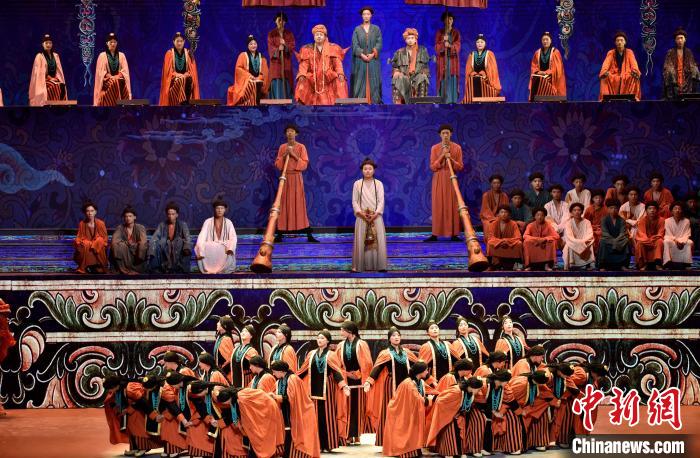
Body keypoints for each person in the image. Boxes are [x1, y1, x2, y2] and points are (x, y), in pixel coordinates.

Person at [298, 330, 351, 452]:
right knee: (314, 416)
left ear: (327, 341)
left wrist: (343, 386)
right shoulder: (311, 354)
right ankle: (317, 444)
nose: (319, 340)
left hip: (327, 389)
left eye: (322, 338)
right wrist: (291, 378)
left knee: (327, 415)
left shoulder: (331, 355)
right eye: (318, 338)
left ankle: (329, 444)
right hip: (312, 389)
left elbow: (336, 372)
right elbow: (303, 371)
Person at [364, 327, 418, 446]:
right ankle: (388, 440)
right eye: (393, 335)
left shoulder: (407, 352)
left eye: (398, 335)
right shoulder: (385, 353)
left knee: (406, 411)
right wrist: (369, 381)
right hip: (391, 385)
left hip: (407, 386)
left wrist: (429, 379)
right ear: (389, 339)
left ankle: (405, 439)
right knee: (390, 410)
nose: (396, 337)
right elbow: (377, 368)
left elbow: (417, 367)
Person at [274, 124, 318, 243]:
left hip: (296, 178)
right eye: (288, 131)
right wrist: (285, 155)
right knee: (283, 204)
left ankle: (308, 234)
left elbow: (304, 164)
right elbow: (278, 164)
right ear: (285, 134)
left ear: (296, 133)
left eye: (292, 131)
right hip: (285, 178)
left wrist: (293, 154)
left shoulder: (301, 147)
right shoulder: (282, 147)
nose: (290, 133)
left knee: (298, 204)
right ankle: (280, 232)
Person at [213, 386, 285, 458]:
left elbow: (248, 421)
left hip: (268, 411)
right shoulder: (238, 395)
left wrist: (244, 429)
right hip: (267, 408)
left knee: (260, 438)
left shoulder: (241, 400)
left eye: (225, 403)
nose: (226, 405)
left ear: (227, 400)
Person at [382, 361, 435, 458]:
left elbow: (430, 391)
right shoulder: (408, 383)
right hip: (402, 411)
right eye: (426, 370)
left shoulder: (420, 381)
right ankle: (407, 451)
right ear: (420, 371)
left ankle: (415, 449)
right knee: (409, 428)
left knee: (415, 427)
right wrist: (429, 400)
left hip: (411, 411)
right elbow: (416, 398)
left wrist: (440, 394)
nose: (427, 372)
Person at [270, 360, 321, 458]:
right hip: (287, 412)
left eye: (274, 372)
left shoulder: (293, 379)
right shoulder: (279, 381)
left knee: (294, 435)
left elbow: (292, 398)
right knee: (287, 433)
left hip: (300, 411)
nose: (273, 374)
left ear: (281, 371)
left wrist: (277, 397)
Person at [427, 377, 487, 457]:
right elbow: (440, 401)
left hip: (458, 415)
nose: (479, 391)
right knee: (450, 430)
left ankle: (459, 452)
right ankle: (448, 452)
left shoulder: (468, 392)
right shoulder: (456, 390)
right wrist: (453, 411)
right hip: (447, 415)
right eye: (478, 389)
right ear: (473, 387)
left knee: (461, 429)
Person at [336, 320, 374, 444]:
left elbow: (367, 363)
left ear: (350, 331)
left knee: (357, 407)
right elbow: (336, 363)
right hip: (346, 380)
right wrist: (346, 374)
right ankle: (348, 434)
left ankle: (356, 434)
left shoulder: (361, 344)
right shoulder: (341, 345)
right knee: (346, 407)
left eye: (342, 330)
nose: (341, 332)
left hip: (359, 380)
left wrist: (358, 374)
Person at [425, 125, 464, 242]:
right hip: (438, 178)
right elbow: (433, 167)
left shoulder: (457, 148)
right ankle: (435, 234)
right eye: (443, 133)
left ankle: (454, 234)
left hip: (451, 179)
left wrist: (451, 159)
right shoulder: (435, 148)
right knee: (438, 205)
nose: (445, 135)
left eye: (447, 133)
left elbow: (460, 167)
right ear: (440, 135)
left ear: (451, 134)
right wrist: (442, 155)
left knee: (452, 205)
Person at [187, 352, 229, 458]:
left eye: (200, 362)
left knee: (218, 432)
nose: (199, 365)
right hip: (212, 406)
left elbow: (215, 393)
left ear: (206, 363)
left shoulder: (215, 374)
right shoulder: (205, 374)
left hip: (220, 407)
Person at [295, 24, 348, 105]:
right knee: (302, 80)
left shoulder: (332, 48)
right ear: (314, 37)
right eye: (317, 35)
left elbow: (337, 64)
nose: (319, 36)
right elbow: (304, 65)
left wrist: (340, 73)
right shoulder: (307, 49)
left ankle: (340, 104)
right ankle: (302, 105)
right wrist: (302, 74)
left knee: (340, 80)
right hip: (313, 79)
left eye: (321, 34)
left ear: (325, 36)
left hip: (328, 78)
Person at [352, 157, 388, 271]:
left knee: (378, 242)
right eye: (365, 169)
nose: (367, 171)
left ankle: (380, 266)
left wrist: (375, 214)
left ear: (374, 170)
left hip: (375, 217)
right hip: (362, 217)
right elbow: (354, 201)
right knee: (361, 241)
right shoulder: (357, 184)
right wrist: (361, 213)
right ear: (362, 170)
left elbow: (381, 201)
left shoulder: (379, 184)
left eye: (370, 169)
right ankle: (360, 266)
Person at [509, 371, 554, 452]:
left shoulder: (536, 382)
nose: (542, 385)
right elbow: (510, 398)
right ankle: (514, 447)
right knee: (516, 423)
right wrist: (519, 411)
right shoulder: (521, 383)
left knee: (541, 413)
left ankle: (531, 444)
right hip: (511, 407)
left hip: (525, 406)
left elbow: (547, 393)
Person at [482, 369, 521, 455]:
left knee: (512, 418)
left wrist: (519, 412)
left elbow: (510, 400)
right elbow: (480, 401)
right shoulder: (485, 385)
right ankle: (482, 448)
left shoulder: (504, 387)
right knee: (481, 420)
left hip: (496, 409)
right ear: (502, 380)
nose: (507, 383)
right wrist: (493, 412)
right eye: (507, 381)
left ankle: (505, 446)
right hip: (481, 408)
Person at [124, 376, 164, 456]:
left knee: (139, 430)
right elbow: (141, 401)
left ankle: (143, 447)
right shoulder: (136, 387)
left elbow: (143, 403)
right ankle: (134, 448)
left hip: (142, 412)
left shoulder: (159, 388)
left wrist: (154, 415)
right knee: (132, 429)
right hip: (138, 410)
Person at [160, 371, 197, 457]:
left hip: (192, 409)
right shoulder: (167, 388)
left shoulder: (190, 384)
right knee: (169, 427)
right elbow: (173, 406)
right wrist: (183, 420)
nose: (173, 387)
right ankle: (172, 449)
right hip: (174, 411)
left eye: (173, 385)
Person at [148, 202, 192, 274]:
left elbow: (187, 238)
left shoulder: (182, 225)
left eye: (173, 214)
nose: (170, 216)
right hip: (164, 248)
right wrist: (152, 248)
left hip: (178, 248)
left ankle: (180, 268)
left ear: (177, 215)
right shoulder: (162, 225)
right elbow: (155, 237)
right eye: (169, 214)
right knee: (159, 242)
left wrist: (186, 247)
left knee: (180, 242)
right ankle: (157, 268)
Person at [195, 199, 237, 274]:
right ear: (214, 209)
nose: (220, 210)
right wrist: (200, 249)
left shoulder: (228, 222)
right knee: (203, 245)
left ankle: (223, 269)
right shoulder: (208, 221)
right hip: (210, 250)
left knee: (228, 246)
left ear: (225, 210)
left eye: (222, 208)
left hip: (223, 249)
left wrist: (230, 248)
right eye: (217, 208)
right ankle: (209, 268)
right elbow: (202, 236)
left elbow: (233, 237)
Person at [351, 7, 383, 104]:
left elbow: (379, 43)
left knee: (374, 79)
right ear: (362, 16)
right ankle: (360, 101)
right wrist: (362, 54)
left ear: (371, 15)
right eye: (364, 14)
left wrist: (373, 54)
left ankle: (374, 101)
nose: (366, 16)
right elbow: (354, 44)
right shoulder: (357, 29)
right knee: (360, 80)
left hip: (373, 59)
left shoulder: (376, 29)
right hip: (360, 60)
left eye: (368, 14)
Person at [159, 32, 200, 106]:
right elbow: (167, 73)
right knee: (181, 80)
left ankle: (187, 103)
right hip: (173, 81)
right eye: (177, 41)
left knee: (188, 79)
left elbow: (192, 71)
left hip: (186, 77)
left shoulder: (188, 53)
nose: (179, 43)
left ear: (184, 42)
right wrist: (178, 75)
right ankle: (182, 102)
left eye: (181, 41)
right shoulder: (169, 53)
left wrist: (186, 75)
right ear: (173, 42)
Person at [227, 35, 269, 106]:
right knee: (251, 84)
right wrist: (249, 76)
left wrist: (259, 77)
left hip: (258, 78)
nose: (253, 45)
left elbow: (265, 71)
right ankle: (249, 104)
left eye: (255, 44)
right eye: (251, 44)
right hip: (246, 79)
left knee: (259, 82)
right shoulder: (243, 55)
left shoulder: (261, 57)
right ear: (248, 46)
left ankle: (256, 104)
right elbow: (238, 68)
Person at [391, 28, 430, 104]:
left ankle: (420, 104)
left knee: (423, 77)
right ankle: (398, 105)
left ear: (415, 39)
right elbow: (395, 65)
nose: (410, 40)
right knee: (397, 78)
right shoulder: (400, 52)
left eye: (412, 38)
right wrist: (396, 71)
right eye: (408, 38)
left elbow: (425, 66)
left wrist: (424, 72)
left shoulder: (422, 51)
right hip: (404, 75)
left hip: (417, 75)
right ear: (405, 40)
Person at [599, 31, 641, 100]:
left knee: (634, 77)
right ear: (615, 43)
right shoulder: (611, 53)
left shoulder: (629, 52)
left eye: (621, 40)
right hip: (614, 76)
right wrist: (604, 72)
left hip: (626, 76)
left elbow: (634, 65)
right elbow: (605, 65)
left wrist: (635, 71)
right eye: (617, 40)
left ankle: (633, 99)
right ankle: (606, 100)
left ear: (625, 42)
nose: (619, 42)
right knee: (604, 78)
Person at [547, 361, 581, 448]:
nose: (567, 376)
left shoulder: (566, 377)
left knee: (566, 417)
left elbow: (574, 389)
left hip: (560, 401)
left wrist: (562, 397)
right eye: (566, 375)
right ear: (560, 371)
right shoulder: (549, 374)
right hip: (546, 401)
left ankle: (560, 439)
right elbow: (543, 390)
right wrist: (554, 400)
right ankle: (546, 440)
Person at [93, 33, 131, 106]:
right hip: (107, 81)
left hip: (118, 79)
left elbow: (125, 70)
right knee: (114, 82)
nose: (113, 44)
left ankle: (124, 105)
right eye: (111, 42)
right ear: (107, 43)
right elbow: (100, 72)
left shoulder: (122, 55)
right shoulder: (102, 55)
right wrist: (110, 76)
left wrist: (118, 76)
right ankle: (111, 104)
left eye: (114, 42)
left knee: (118, 81)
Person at [29, 34, 68, 106]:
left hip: (54, 79)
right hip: (44, 80)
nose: (48, 45)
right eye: (46, 43)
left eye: (50, 43)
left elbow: (58, 71)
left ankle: (59, 106)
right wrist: (49, 78)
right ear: (43, 44)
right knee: (55, 86)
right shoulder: (40, 56)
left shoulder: (55, 56)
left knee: (62, 85)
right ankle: (51, 105)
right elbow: (39, 73)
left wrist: (56, 78)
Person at [663, 27, 700, 100]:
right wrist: (671, 71)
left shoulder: (688, 52)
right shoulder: (670, 52)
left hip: (685, 75)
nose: (680, 40)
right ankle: (672, 95)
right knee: (669, 72)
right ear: (675, 40)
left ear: (685, 39)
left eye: (681, 38)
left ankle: (691, 95)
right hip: (675, 74)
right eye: (678, 38)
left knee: (695, 71)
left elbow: (692, 64)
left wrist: (694, 69)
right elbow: (668, 65)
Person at [463, 34, 501, 103]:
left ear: (485, 44)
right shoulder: (472, 55)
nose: (479, 44)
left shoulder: (489, 54)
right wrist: (473, 74)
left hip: (486, 81)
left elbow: (493, 71)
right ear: (475, 44)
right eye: (478, 42)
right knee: (473, 79)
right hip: (474, 80)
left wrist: (485, 75)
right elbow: (468, 70)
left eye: (481, 42)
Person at [419, 321, 458, 389]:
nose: (435, 329)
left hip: (450, 380)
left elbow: (457, 361)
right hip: (435, 382)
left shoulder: (448, 344)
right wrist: (431, 381)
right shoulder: (426, 347)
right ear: (427, 332)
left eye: (436, 328)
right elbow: (421, 368)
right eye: (432, 328)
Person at [529, 31, 566, 101]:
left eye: (547, 39)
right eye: (543, 40)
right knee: (536, 78)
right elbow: (534, 66)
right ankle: (536, 99)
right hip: (540, 74)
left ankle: (549, 97)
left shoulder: (555, 52)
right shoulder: (537, 52)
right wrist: (538, 72)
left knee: (542, 79)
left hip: (552, 76)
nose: (545, 41)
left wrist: (546, 73)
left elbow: (557, 68)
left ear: (550, 41)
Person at [73, 200, 108, 274]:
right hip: (86, 245)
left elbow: (104, 238)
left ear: (95, 212)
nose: (90, 213)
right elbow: (79, 237)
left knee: (100, 241)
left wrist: (96, 243)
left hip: (97, 246)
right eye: (87, 211)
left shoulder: (101, 223)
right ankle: (87, 266)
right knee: (85, 244)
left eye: (92, 211)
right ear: (85, 212)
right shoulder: (82, 223)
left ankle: (97, 266)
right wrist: (87, 243)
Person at [110, 206, 147, 275]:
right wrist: (126, 243)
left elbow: (143, 241)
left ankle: (137, 268)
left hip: (136, 251)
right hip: (124, 251)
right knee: (120, 246)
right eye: (126, 216)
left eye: (130, 216)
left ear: (134, 217)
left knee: (143, 246)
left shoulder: (140, 227)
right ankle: (124, 269)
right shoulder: (120, 228)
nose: (128, 218)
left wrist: (134, 245)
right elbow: (114, 241)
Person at [485, 205, 523, 271]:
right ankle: (490, 265)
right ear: (498, 214)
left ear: (509, 214)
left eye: (505, 212)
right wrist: (501, 242)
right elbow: (491, 237)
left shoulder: (513, 224)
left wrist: (506, 241)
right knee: (490, 243)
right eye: (501, 212)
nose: (503, 214)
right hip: (498, 243)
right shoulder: (493, 224)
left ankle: (518, 264)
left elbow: (518, 237)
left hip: (509, 244)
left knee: (519, 244)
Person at [267, 12, 295, 99]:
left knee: (287, 82)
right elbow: (270, 48)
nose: (280, 22)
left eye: (283, 21)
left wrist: (285, 44)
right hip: (276, 64)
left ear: (285, 22)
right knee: (277, 81)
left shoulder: (289, 34)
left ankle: (287, 104)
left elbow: (292, 47)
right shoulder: (271, 34)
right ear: (275, 21)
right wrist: (278, 49)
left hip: (286, 63)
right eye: (279, 20)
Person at [435, 11, 461, 103]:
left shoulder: (456, 33)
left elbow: (458, 46)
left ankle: (452, 100)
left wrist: (450, 45)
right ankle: (443, 100)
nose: (449, 21)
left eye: (451, 19)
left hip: (452, 60)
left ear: (453, 20)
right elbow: (437, 47)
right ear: (443, 20)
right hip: (443, 60)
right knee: (443, 76)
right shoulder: (440, 33)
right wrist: (443, 41)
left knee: (452, 76)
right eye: (447, 19)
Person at [597, 199, 631, 270]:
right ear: (608, 209)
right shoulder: (604, 219)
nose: (613, 210)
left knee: (626, 241)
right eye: (611, 208)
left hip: (619, 240)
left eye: (615, 208)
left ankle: (623, 265)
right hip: (608, 239)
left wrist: (616, 240)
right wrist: (613, 241)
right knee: (602, 241)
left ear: (618, 209)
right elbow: (605, 233)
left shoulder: (622, 220)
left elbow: (622, 233)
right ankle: (603, 265)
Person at [563, 202, 595, 270]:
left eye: (579, 210)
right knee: (569, 245)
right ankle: (572, 264)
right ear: (571, 212)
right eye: (574, 210)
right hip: (573, 242)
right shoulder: (568, 223)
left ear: (582, 211)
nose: (577, 212)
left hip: (584, 241)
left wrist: (582, 241)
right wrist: (577, 242)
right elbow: (569, 236)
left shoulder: (587, 222)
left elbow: (590, 234)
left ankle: (587, 264)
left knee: (590, 244)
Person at [635, 201, 666, 270]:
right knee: (639, 243)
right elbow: (641, 234)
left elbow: (660, 233)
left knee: (660, 241)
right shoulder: (642, 220)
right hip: (645, 240)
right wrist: (648, 240)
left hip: (656, 240)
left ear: (657, 210)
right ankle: (643, 264)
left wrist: (652, 239)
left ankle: (658, 264)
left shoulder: (661, 220)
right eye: (650, 208)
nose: (652, 210)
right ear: (646, 210)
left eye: (654, 208)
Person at [102, 375, 130, 450]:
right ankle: (134, 447)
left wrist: (127, 409)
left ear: (115, 386)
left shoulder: (127, 390)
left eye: (110, 389)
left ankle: (138, 447)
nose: (109, 391)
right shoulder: (117, 390)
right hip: (124, 412)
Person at [664, 201, 694, 269]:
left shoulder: (686, 221)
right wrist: (675, 240)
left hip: (683, 241)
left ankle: (687, 263)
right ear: (672, 211)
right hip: (672, 240)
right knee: (666, 241)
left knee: (690, 242)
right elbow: (668, 234)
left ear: (682, 211)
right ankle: (668, 262)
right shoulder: (667, 221)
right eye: (675, 208)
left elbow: (687, 234)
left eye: (679, 209)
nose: (677, 210)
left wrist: (681, 241)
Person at [479, 174, 509, 240]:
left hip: (501, 216)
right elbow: (485, 210)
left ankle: (502, 241)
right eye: (494, 183)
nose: (496, 185)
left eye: (498, 183)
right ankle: (490, 241)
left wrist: (499, 217)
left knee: (504, 222)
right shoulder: (486, 195)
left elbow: (506, 209)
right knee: (488, 224)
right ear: (491, 184)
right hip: (488, 218)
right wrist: (493, 218)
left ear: (501, 184)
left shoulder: (504, 196)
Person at [214, 316, 235, 381]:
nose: (217, 323)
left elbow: (229, 360)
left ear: (224, 326)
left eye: (219, 322)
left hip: (225, 375)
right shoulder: (220, 337)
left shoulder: (226, 339)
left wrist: (221, 374)